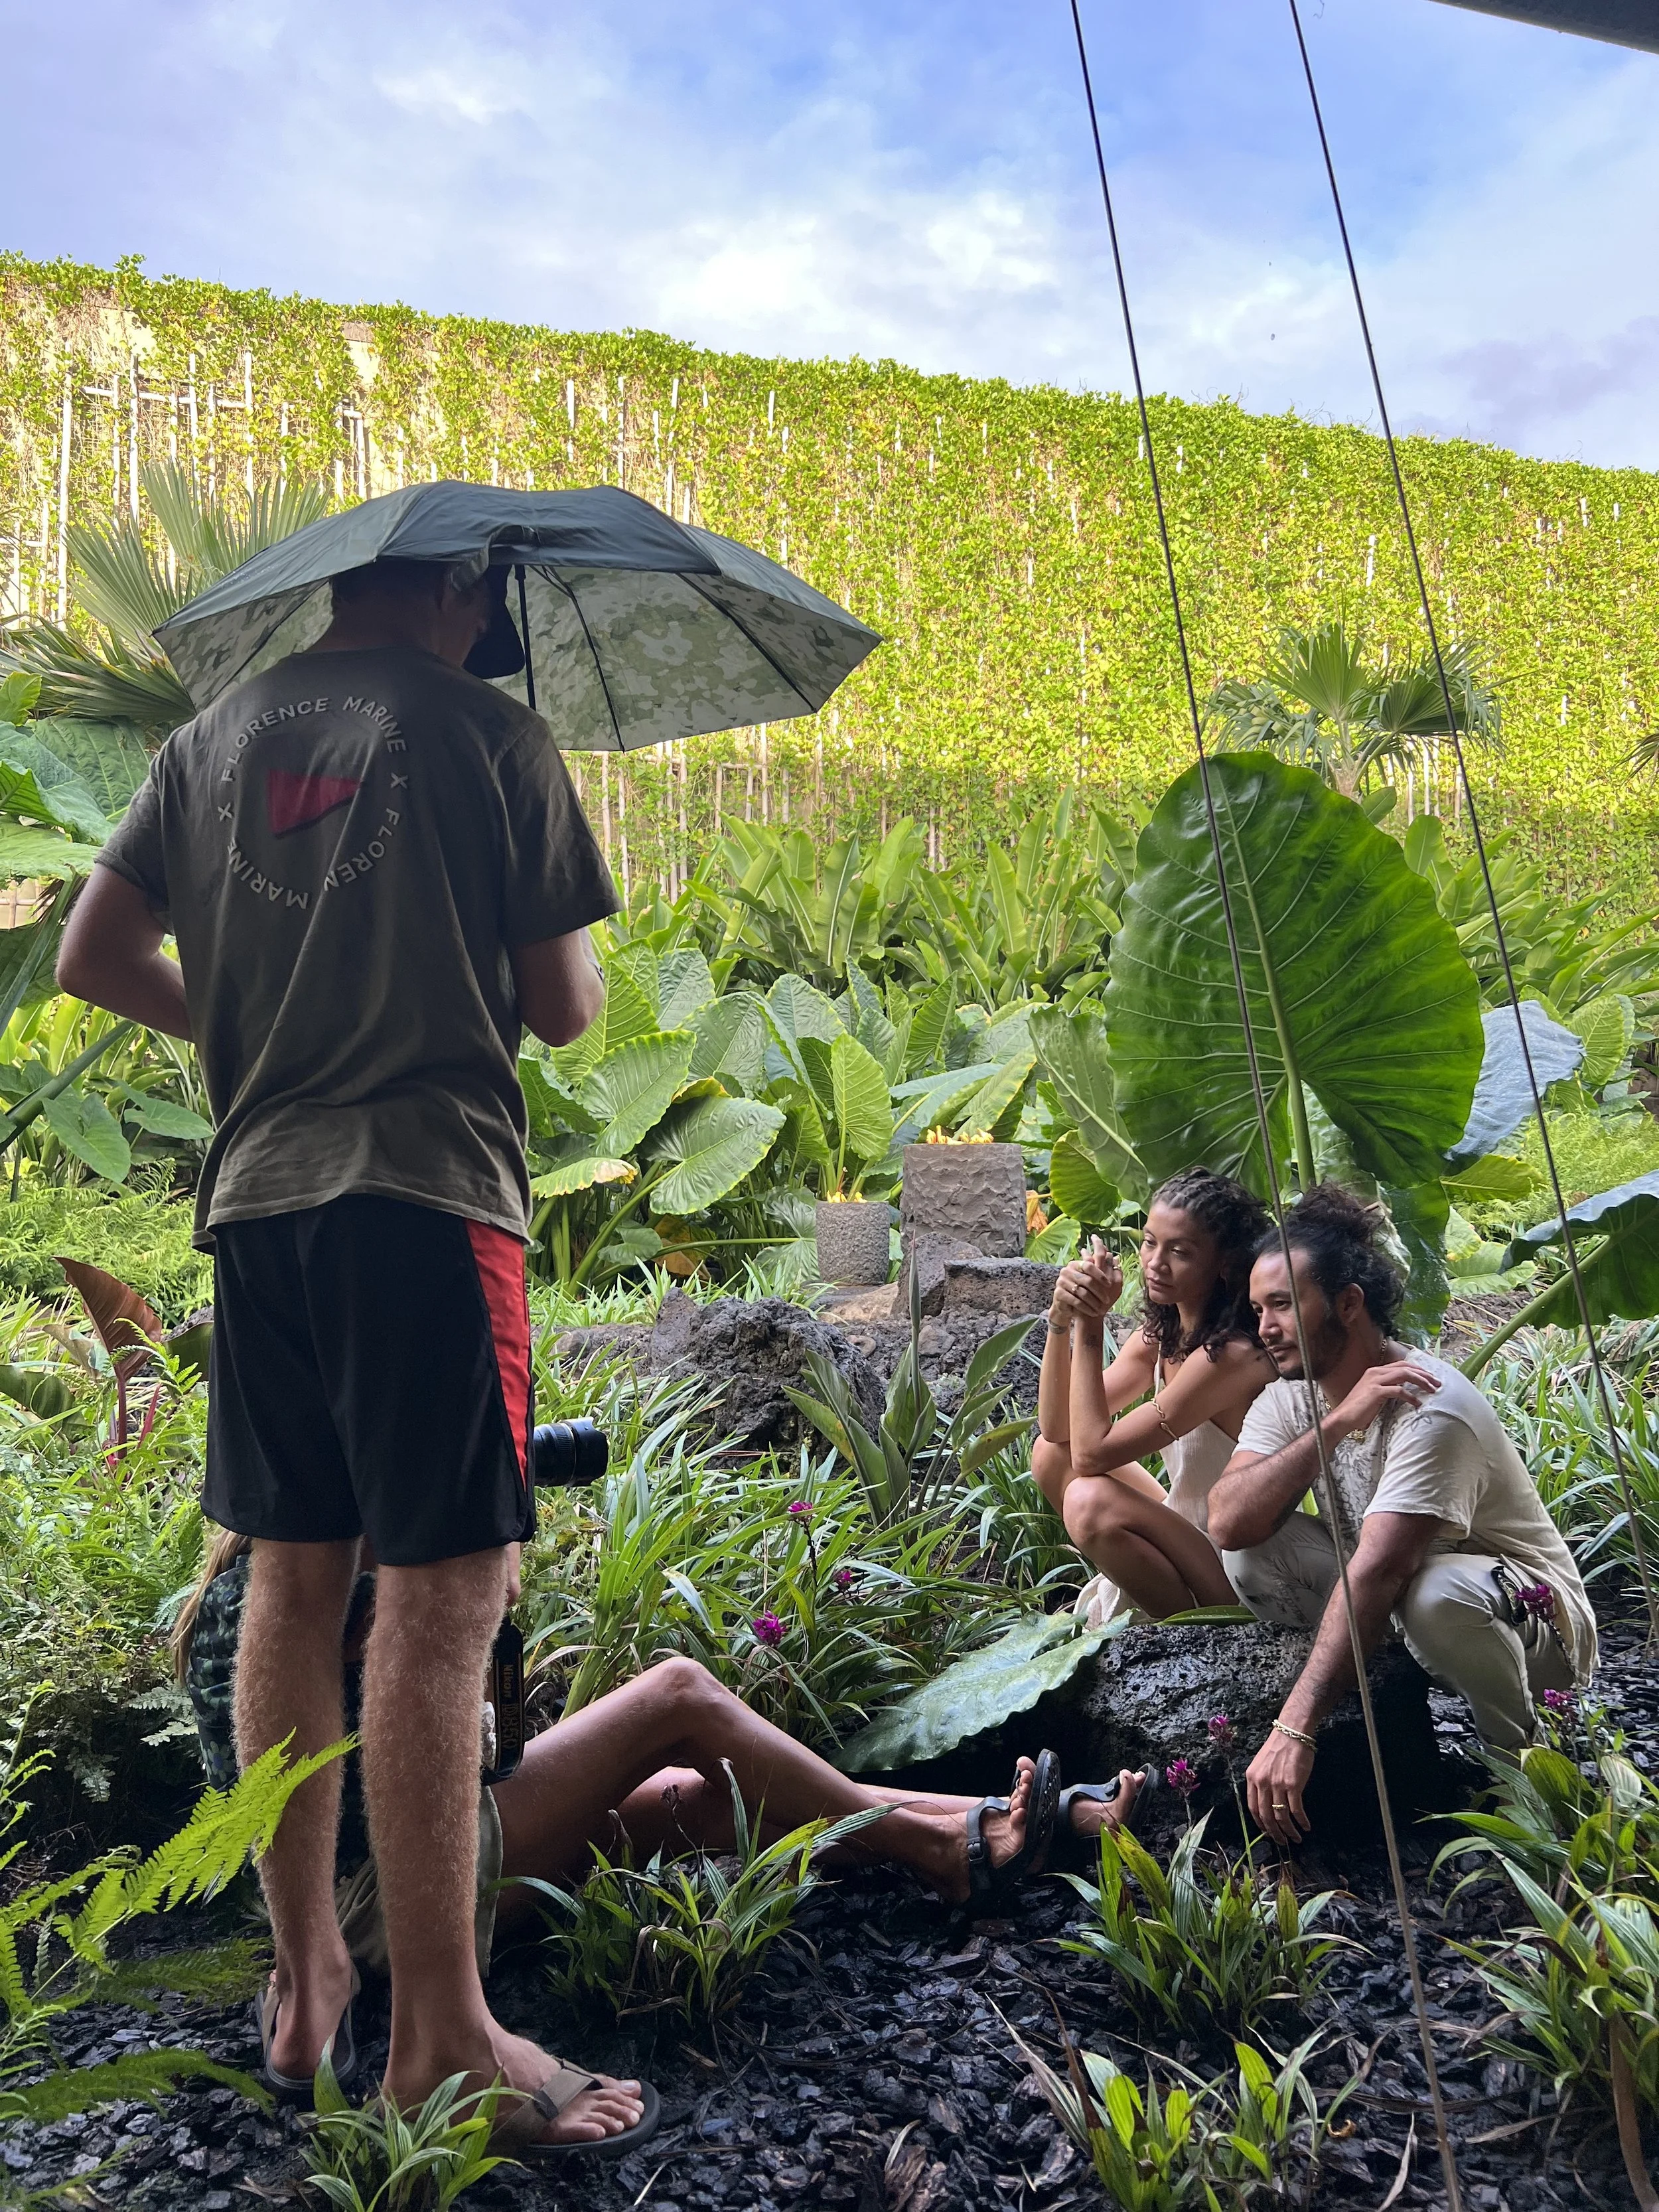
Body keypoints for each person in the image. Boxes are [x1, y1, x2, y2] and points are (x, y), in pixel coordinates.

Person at [57, 554, 650, 2156]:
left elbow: (92, 958)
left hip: (256, 1205)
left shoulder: (210, 737)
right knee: (444, 1595)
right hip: (425, 1195)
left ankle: (311, 1978)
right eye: (491, 607)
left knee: (293, 1575)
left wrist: (251, 1033)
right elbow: (568, 1006)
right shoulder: (491, 736)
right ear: (459, 591)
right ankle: (443, 2042)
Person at [175, 1531, 1148, 1949]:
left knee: (706, 1795)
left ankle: (1006, 1825)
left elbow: (500, 1755)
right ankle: (950, 1849)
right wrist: (479, 1586)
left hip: (392, 1891)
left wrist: (494, 1605)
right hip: (390, 1900)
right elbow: (478, 1759)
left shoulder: (280, 1575)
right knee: (679, 1693)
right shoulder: (331, 1578)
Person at [1206, 1184, 1597, 1848]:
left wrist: (1294, 1726)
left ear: (1348, 1305)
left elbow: (1382, 1568)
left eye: (1281, 1304)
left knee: (1431, 1592)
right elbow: (1227, 1521)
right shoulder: (1295, 1394)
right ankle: (1381, 1689)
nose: (1263, 1326)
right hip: (1408, 1608)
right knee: (1250, 1553)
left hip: (1535, 1629)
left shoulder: (1433, 1405)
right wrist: (1335, 1425)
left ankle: (1528, 1769)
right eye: (1255, 1308)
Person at [1031, 1169, 1277, 1622]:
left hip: (1239, 1565)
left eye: (1179, 1251)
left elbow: (1092, 1455)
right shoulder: (1164, 1335)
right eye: (1149, 1242)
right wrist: (1061, 1317)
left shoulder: (1233, 1355)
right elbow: (1057, 1428)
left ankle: (1202, 1636)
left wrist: (1091, 1320)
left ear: (1224, 1263)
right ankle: (1159, 1606)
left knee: (1089, 1502)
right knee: (1050, 1453)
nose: (1155, 1262)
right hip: (1187, 1532)